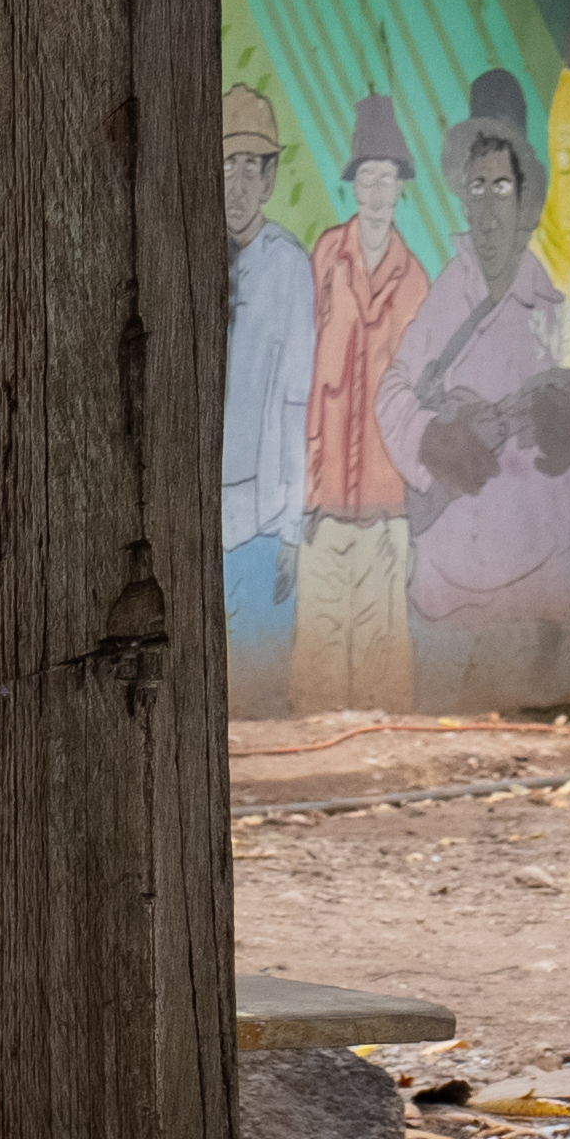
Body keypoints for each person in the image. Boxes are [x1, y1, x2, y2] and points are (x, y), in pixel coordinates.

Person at [388, 70, 570, 707]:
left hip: (536, 604)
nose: (490, 203)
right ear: (464, 199)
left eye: (503, 185)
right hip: (446, 608)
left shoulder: (553, 310)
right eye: (478, 186)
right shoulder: (445, 300)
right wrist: (436, 440)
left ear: (524, 197)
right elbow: (391, 393)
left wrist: (564, 423)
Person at [296, 92, 430, 709]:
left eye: (388, 179)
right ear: (354, 186)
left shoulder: (417, 280)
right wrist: (302, 491)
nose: (377, 192)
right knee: (317, 678)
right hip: (324, 512)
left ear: (402, 187)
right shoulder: (325, 258)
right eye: (367, 178)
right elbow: (303, 376)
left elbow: (421, 403)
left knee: (382, 682)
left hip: (387, 517)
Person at [221, 87, 314, 712]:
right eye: (226, 164)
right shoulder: (187, 253)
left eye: (251, 167)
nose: (236, 184)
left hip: (260, 519)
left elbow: (296, 399)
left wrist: (291, 530)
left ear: (271, 178)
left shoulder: (288, 267)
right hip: (198, 515)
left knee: (257, 696)